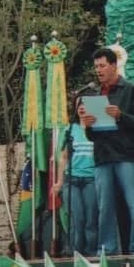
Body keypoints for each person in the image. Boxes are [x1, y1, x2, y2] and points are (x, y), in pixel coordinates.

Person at [79, 47, 134, 255]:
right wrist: (88, 124)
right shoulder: (94, 93)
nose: (98, 70)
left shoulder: (132, 89)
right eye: (96, 66)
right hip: (103, 156)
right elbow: (92, 136)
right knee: (104, 207)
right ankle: (107, 249)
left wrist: (120, 116)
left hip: (128, 155)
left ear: (114, 65)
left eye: (102, 65)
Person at [53, 96, 98, 255]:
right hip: (71, 180)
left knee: (91, 220)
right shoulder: (70, 129)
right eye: (79, 105)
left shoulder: (97, 128)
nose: (81, 108)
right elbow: (63, 157)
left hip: (91, 179)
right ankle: (75, 253)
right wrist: (59, 182)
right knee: (76, 219)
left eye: (85, 105)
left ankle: (92, 254)